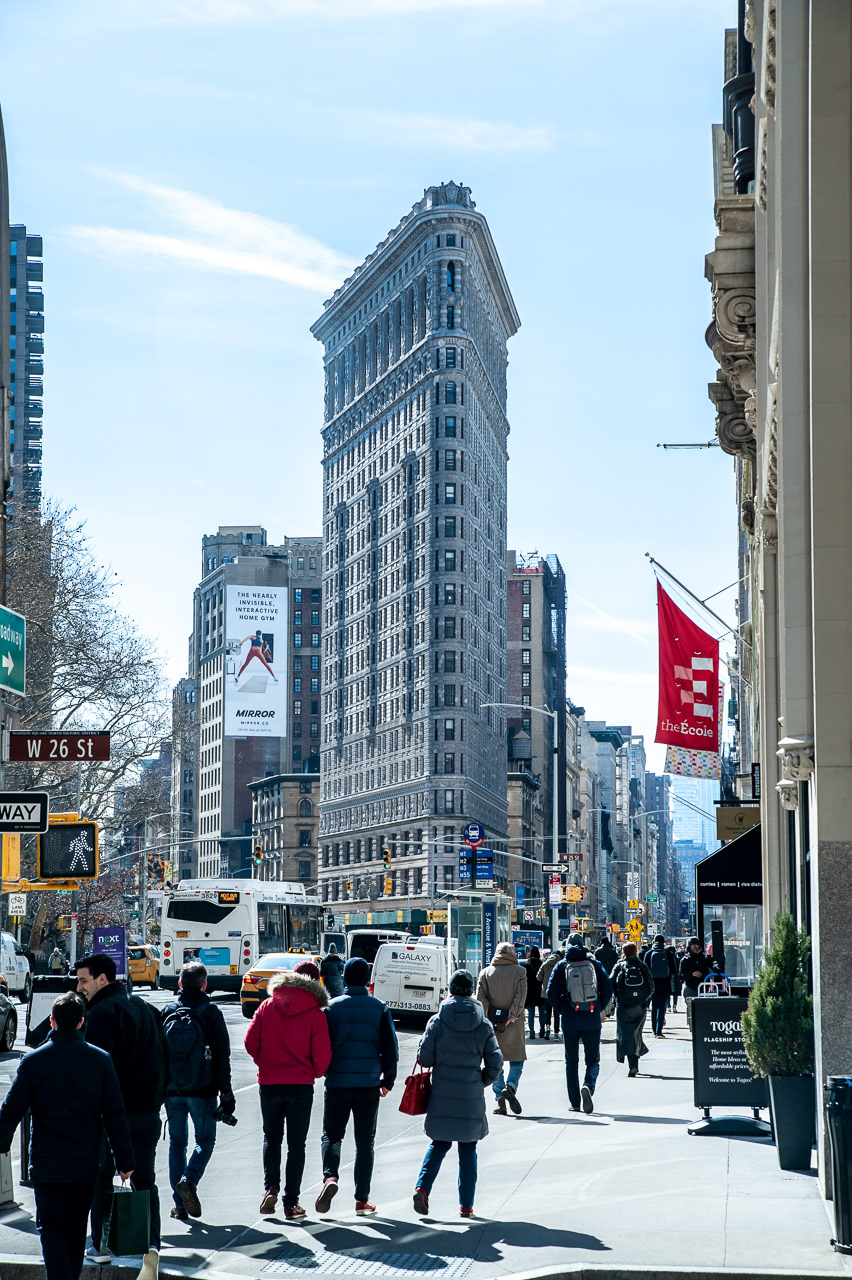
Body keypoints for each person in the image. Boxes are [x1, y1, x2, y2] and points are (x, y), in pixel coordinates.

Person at [0, 992, 135, 1280]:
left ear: (52, 1021)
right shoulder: (100, 1060)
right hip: (85, 1164)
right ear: (81, 1022)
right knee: (76, 1230)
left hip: (48, 1165)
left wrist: (1, 1143)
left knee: (50, 1228)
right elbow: (115, 1114)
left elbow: (11, 1110)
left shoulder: (35, 1061)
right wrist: (125, 1160)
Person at [76, 952, 167, 1280]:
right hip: (147, 1111)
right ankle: (151, 1244)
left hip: (112, 1114)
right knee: (145, 1181)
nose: (79, 987)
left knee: (102, 1176)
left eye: (84, 980)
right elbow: (163, 1057)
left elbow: (97, 1070)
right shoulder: (144, 1008)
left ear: (103, 979)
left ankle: (100, 1246)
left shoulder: (100, 1014)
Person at [412, 969, 502, 1219]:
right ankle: (466, 1206)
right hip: (470, 1096)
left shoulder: (437, 1022)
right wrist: (480, 1081)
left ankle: (422, 1188)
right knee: (468, 1150)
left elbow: (425, 1058)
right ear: (472, 991)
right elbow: (495, 1063)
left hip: (441, 1092)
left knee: (439, 1144)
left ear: (450, 990)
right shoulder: (483, 1024)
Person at [245, 959, 331, 1220]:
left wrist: (265, 1062)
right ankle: (291, 1203)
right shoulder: (316, 1013)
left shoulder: (267, 1006)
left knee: (271, 1138)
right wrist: (312, 1073)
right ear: (316, 983)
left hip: (269, 1083)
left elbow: (250, 1042)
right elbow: (323, 1056)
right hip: (300, 1085)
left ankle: (270, 1187)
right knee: (297, 1145)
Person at [315, 957, 398, 1217]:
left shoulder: (332, 1007)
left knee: (332, 1135)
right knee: (365, 1142)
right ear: (367, 980)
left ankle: (330, 1178)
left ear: (345, 978)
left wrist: (326, 1071)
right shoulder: (379, 1008)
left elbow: (322, 1045)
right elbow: (390, 1050)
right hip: (368, 1084)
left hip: (338, 1082)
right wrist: (388, 1082)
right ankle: (362, 1201)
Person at [162, 962, 234, 1221]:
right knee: (204, 1140)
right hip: (202, 1089)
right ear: (205, 985)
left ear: (180, 984)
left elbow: (158, 1054)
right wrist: (226, 1094)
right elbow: (222, 1057)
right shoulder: (211, 1012)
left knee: (176, 1143)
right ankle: (189, 1181)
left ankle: (180, 1204)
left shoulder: (168, 1011)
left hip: (172, 1089)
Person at [547, 938, 612, 1113]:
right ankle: (588, 1087)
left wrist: (563, 1009)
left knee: (571, 1062)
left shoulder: (561, 966)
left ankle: (575, 1103)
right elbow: (608, 988)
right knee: (593, 1060)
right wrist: (598, 1006)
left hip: (570, 1020)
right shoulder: (595, 964)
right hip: (592, 1019)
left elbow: (550, 992)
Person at [475, 942, 526, 1115]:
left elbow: (480, 1000)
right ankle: (511, 1087)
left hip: (493, 1026)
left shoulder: (485, 973)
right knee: (517, 1060)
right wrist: (510, 1017)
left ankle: (500, 1100)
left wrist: (492, 1017)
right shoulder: (520, 971)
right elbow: (521, 997)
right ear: (512, 953)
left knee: (496, 1062)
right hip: (515, 1023)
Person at [611, 942, 653, 1076]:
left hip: (624, 1006)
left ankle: (632, 1064)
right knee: (636, 1033)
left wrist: (616, 998)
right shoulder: (642, 966)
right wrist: (644, 999)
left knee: (626, 1034)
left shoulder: (619, 966)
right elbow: (651, 986)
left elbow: (610, 982)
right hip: (640, 1006)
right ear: (636, 952)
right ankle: (635, 1061)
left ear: (623, 952)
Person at [679, 936, 717, 1027]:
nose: (695, 947)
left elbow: (715, 966)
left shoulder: (705, 957)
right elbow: (681, 976)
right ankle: (692, 1026)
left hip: (704, 988)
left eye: (696, 945)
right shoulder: (685, 959)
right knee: (691, 1009)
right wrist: (692, 974)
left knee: (704, 1009)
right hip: (690, 987)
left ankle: (704, 1026)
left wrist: (720, 972)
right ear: (689, 946)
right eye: (692, 945)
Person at [645, 934, 677, 1038]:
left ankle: (654, 1030)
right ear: (663, 942)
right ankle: (659, 1031)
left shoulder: (649, 953)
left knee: (654, 1006)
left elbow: (645, 970)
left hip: (652, 984)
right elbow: (673, 970)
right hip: (665, 983)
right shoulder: (668, 953)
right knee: (662, 1007)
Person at [538, 942, 566, 1040]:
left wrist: (545, 981)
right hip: (557, 993)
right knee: (557, 1013)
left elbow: (538, 977)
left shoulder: (545, 964)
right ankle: (556, 1033)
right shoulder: (561, 964)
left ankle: (547, 1028)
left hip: (546, 992)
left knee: (547, 1012)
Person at [523, 946, 546, 1039]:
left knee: (531, 1013)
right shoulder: (542, 965)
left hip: (529, 992)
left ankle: (531, 1031)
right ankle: (542, 1030)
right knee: (542, 1012)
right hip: (540, 991)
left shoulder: (526, 965)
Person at [667, 943, 683, 1012]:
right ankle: (674, 1006)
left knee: (667, 992)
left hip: (668, 977)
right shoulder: (678, 959)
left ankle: (668, 1006)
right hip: (676, 977)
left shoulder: (666, 960)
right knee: (675, 993)